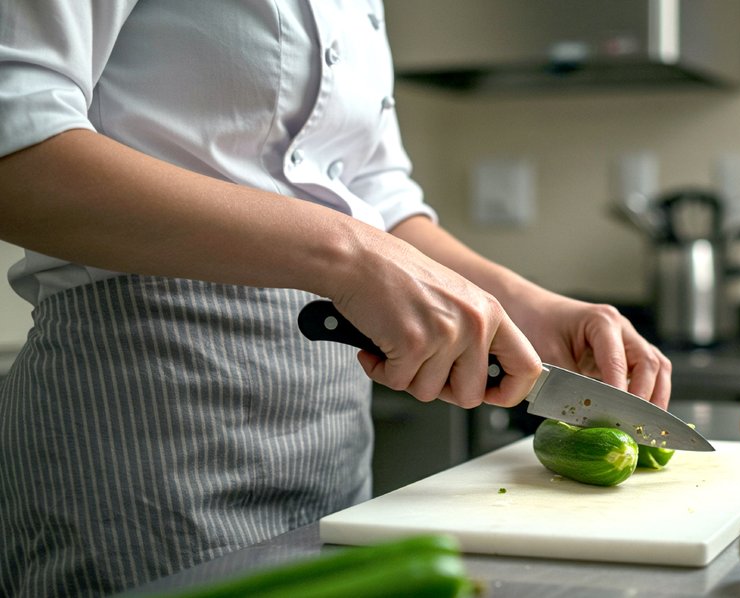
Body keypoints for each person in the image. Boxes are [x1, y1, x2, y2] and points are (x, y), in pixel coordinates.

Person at [0, 2, 672, 595]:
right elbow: (16, 142)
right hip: (143, 425)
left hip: (331, 434)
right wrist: (348, 254)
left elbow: (379, 198)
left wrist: (522, 303)